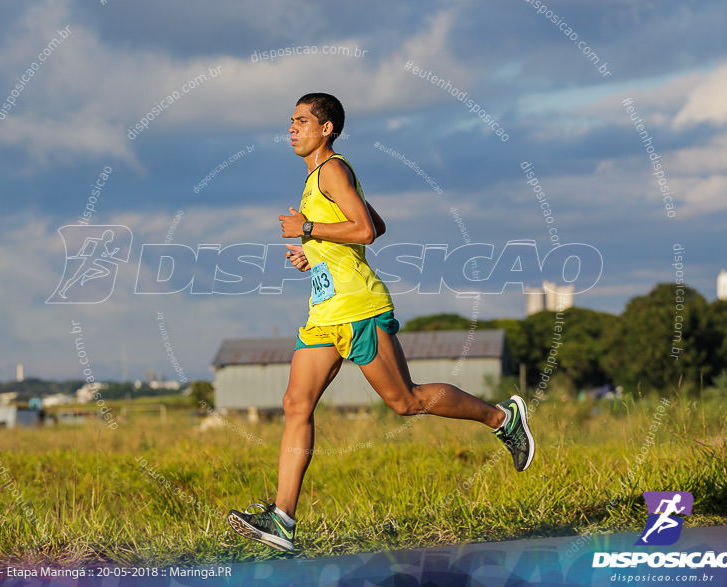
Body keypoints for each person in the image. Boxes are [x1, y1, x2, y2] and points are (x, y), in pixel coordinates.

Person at [227, 93, 534, 552]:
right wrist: (315, 254)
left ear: (326, 128)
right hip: (325, 312)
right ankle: (283, 520)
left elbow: (367, 233)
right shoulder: (317, 180)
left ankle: (502, 418)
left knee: (405, 401)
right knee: (295, 403)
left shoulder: (331, 170)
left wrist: (308, 230)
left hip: (359, 309)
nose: (292, 129)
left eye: (302, 121)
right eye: (290, 122)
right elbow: (372, 223)